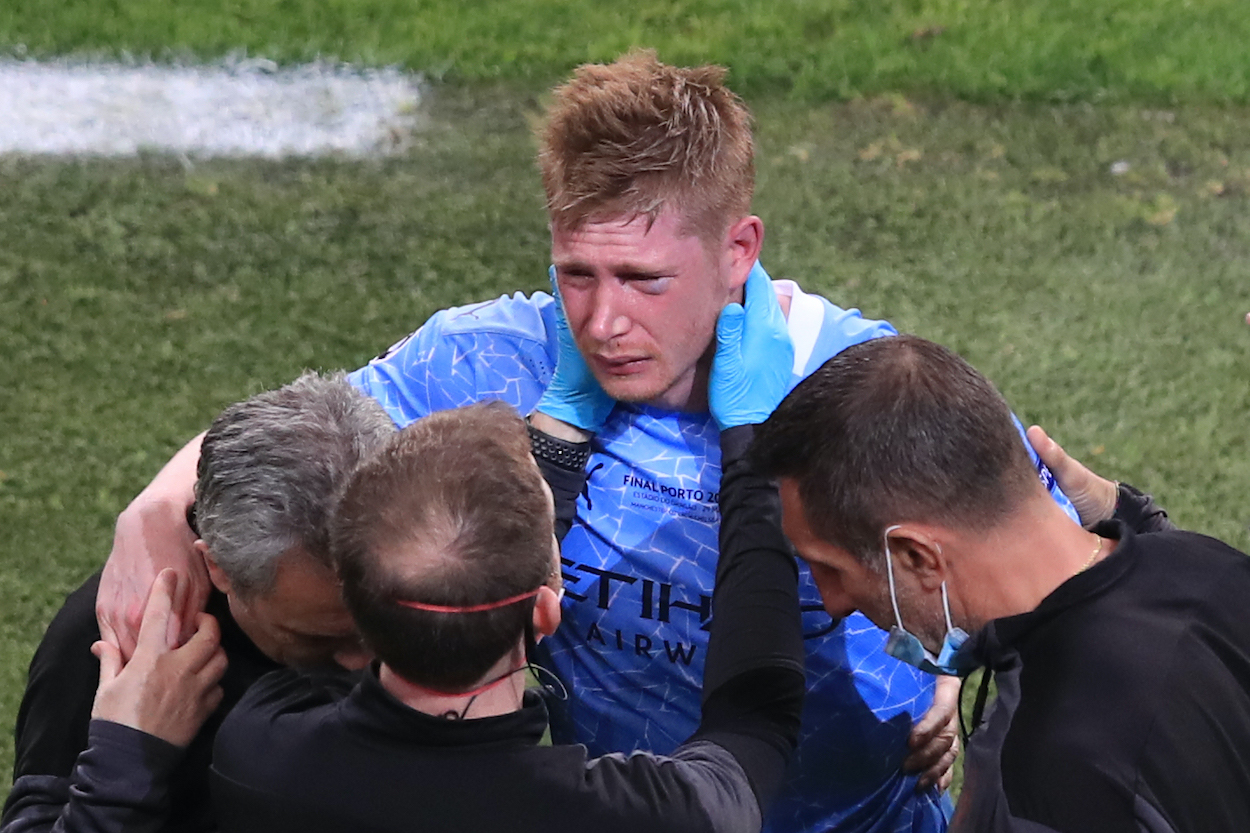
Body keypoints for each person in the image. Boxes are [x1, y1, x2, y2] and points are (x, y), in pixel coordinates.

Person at [96, 52, 1079, 832]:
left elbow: (1055, 572)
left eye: (641, 279)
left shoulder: (871, 389)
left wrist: (953, 669)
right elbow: (303, 437)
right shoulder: (487, 356)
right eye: (578, 272)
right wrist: (147, 516)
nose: (603, 322)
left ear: (737, 248)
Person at [211, 282, 805, 833]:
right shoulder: (644, 814)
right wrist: (753, 451)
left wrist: (556, 436)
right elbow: (755, 717)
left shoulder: (257, 751)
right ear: (547, 610)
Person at [751, 334, 1250, 832]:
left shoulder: (1038, 779)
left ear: (917, 555)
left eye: (831, 568)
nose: (832, 603)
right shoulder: (1210, 567)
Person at [2, 373, 392, 833]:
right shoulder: (126, 640)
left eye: (386, 622)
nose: (368, 662)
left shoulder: (457, 585)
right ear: (219, 568)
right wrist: (126, 756)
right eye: (319, 637)